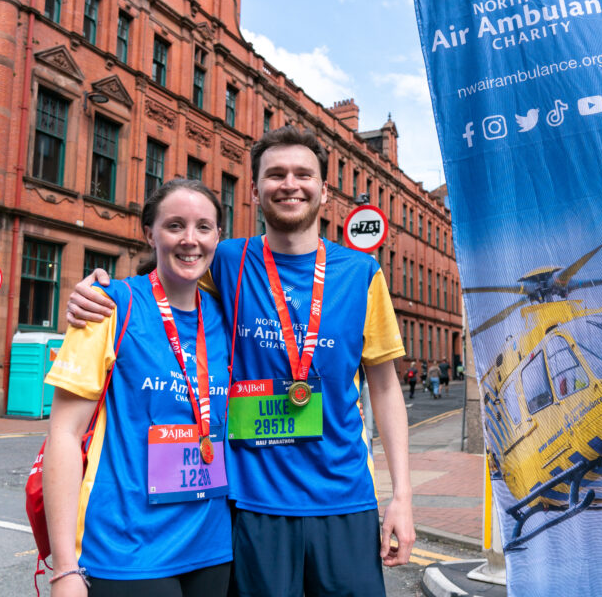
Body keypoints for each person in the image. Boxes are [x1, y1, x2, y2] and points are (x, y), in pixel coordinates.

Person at [65, 127, 414, 597]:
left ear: (324, 191)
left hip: (344, 497)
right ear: (254, 190)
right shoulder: (227, 261)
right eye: (275, 174)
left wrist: (403, 497)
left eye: (303, 174)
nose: (289, 184)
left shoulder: (362, 274)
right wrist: (96, 289)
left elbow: (386, 387)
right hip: (252, 505)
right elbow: (171, 273)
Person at [44, 179, 232, 596]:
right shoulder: (110, 305)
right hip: (126, 550)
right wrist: (64, 568)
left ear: (219, 235)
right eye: (175, 225)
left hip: (213, 548)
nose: (190, 240)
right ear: (150, 234)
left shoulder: (226, 315)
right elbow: (63, 433)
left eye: (204, 227)